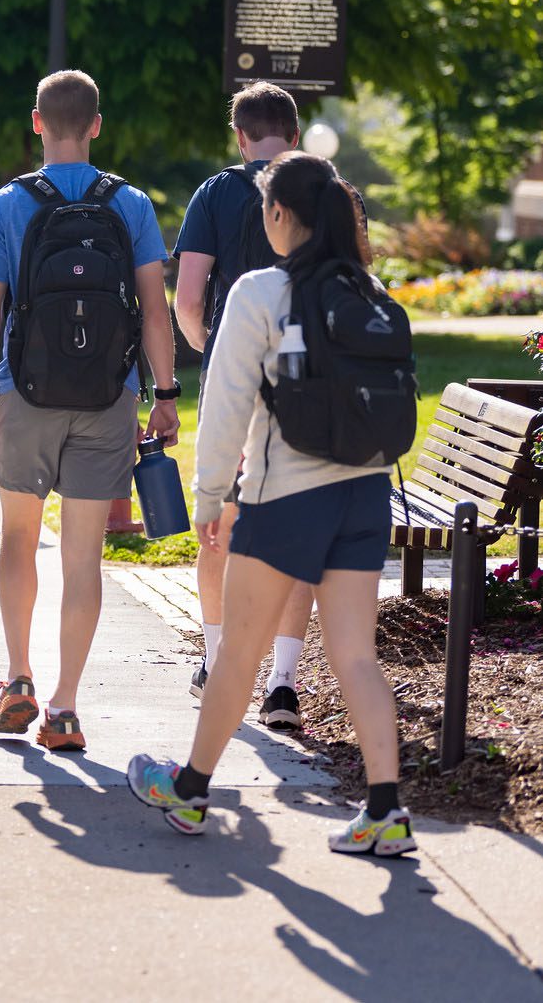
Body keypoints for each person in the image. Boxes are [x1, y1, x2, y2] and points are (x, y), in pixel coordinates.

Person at [128, 151, 417, 856]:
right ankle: (385, 811)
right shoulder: (370, 290)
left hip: (285, 497)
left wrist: (208, 498)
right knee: (356, 656)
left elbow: (225, 405)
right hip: (365, 493)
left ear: (280, 214)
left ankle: (191, 791)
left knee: (237, 655)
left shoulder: (260, 291)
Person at [0, 70, 180, 752]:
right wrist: (165, 395)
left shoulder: (5, 205)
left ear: (36, 123)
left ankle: (18, 677)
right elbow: (153, 310)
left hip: (24, 395)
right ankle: (64, 708)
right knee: (83, 555)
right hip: (106, 397)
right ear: (97, 125)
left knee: (18, 539)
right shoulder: (132, 204)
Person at [175, 82, 311, 729]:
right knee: (294, 526)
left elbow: (189, 295)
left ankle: (217, 659)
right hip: (307, 384)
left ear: (239, 135)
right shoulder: (331, 193)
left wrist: (212, 350)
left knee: (219, 523)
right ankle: (283, 682)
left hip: (234, 386)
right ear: (295, 130)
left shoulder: (216, 193)